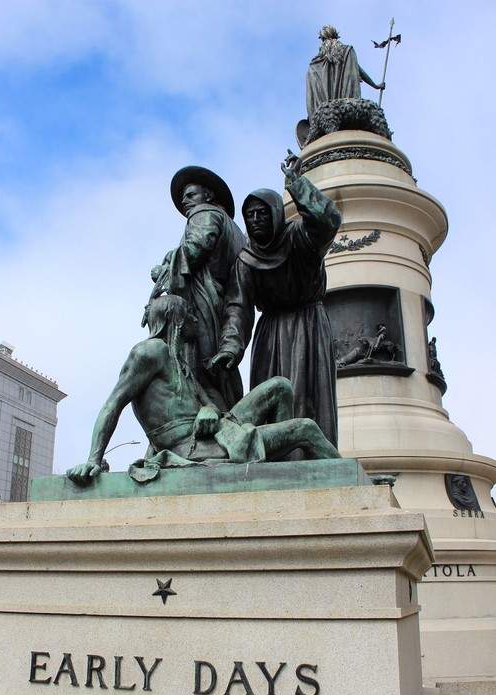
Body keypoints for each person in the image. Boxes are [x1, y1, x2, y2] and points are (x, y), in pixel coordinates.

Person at [67, 296, 340, 487]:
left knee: (280, 386)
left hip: (217, 431)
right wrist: (93, 458)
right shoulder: (149, 352)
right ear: (175, 319)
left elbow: (210, 407)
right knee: (305, 429)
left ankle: (284, 475)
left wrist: (209, 408)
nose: (195, 320)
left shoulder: (178, 361)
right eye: (189, 314)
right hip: (192, 447)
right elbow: (113, 404)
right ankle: (353, 480)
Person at [209, 151, 341, 449]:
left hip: (308, 325)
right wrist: (230, 345)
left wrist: (297, 184)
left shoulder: (299, 237)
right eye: (249, 214)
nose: (255, 219)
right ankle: (276, 459)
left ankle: (313, 459)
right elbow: (238, 307)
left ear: (276, 213)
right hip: (270, 335)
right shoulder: (246, 258)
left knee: (309, 396)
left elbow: (328, 221)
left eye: (262, 212)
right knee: (270, 401)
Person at [146, 166, 245, 412]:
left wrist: (166, 270)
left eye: (190, 195)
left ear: (209, 196)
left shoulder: (205, 214)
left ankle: (218, 429)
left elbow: (196, 246)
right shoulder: (236, 230)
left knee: (200, 372)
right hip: (222, 304)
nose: (185, 202)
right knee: (217, 375)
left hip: (202, 305)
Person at [306, 25, 384, 120]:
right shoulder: (345, 52)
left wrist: (375, 86)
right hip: (344, 107)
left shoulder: (315, 64)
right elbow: (360, 71)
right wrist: (375, 86)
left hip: (329, 113)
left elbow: (312, 99)